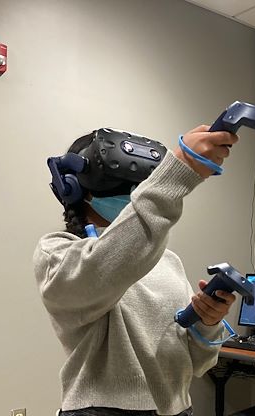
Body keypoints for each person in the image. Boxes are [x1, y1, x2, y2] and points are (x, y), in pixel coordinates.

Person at [34, 125, 240, 416]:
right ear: (75, 187)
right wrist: (180, 170)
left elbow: (199, 363)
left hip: (178, 409)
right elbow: (108, 264)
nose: (132, 194)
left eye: (139, 184)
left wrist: (207, 322)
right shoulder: (58, 252)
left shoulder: (167, 260)